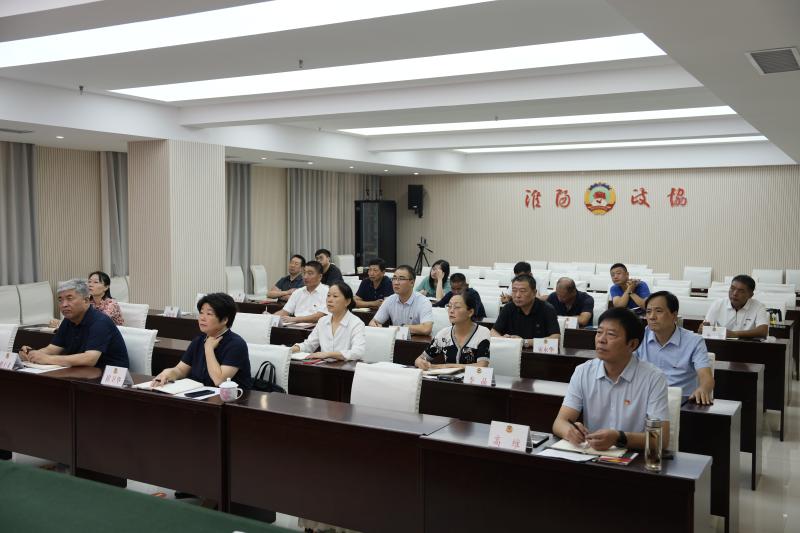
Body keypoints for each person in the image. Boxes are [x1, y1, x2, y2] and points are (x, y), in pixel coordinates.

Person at [552, 307, 670, 451]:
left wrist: (619, 438)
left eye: (611, 334)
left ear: (632, 344)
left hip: (634, 458)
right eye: (599, 332)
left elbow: (660, 439)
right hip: (592, 455)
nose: (601, 340)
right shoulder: (583, 372)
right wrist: (570, 431)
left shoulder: (653, 378)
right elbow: (560, 422)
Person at [19, 279, 129, 369]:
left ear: (86, 300)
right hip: (83, 374)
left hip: (110, 378)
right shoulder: (68, 320)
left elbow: (90, 359)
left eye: (69, 299)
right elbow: (52, 349)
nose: (64, 305)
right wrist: (32, 354)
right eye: (60, 300)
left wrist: (48, 359)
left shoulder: (100, 322)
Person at [152, 292, 252, 389]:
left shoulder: (236, 345)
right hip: (199, 394)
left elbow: (219, 381)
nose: (202, 318)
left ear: (224, 320)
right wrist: (167, 373)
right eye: (201, 313)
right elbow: (181, 370)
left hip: (231, 398)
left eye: (209, 314)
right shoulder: (199, 340)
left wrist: (208, 348)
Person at [637, 291, 713, 403]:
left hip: (681, 404)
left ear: (674, 315)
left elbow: (706, 378)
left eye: (658, 311)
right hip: (645, 400)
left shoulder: (694, 341)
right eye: (648, 312)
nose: (652, 317)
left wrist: (703, 389)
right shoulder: (639, 337)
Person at [415, 292, 490, 370]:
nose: (451, 311)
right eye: (449, 306)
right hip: (447, 378)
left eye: (457, 307)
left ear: (470, 312)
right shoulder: (444, 334)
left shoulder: (482, 333)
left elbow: (482, 366)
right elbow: (419, 359)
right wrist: (421, 363)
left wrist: (444, 366)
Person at [291, 282, 366, 361]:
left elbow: (358, 352)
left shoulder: (356, 323)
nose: (329, 300)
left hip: (347, 366)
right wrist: (290, 350)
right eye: (328, 295)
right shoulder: (322, 321)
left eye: (335, 296)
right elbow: (309, 345)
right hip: (324, 366)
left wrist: (328, 354)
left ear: (347, 301)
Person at [491, 274, 560, 349]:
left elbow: (556, 338)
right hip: (511, 351)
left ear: (534, 293)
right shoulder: (508, 308)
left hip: (538, 354)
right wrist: (504, 340)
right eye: (514, 291)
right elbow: (493, 332)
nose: (517, 295)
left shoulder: (547, 309)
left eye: (522, 291)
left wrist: (524, 342)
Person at [370, 264, 433, 336]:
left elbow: (426, 329)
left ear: (412, 283)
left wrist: (403, 327)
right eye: (394, 278)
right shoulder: (390, 300)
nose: (396, 283)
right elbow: (373, 322)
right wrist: (375, 326)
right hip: (396, 340)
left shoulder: (423, 301)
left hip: (418, 341)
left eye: (401, 279)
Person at [702, 275, 769, 339]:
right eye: (732, 288)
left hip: (748, 345)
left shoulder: (759, 307)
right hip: (722, 344)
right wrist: (704, 328)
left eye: (741, 291)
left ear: (750, 295)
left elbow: (763, 331)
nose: (734, 293)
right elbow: (705, 328)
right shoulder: (718, 304)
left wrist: (734, 334)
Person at [49, 270, 124, 327]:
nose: (90, 285)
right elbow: (77, 317)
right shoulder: (88, 301)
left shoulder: (111, 303)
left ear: (106, 287)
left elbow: (99, 322)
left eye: (96, 282)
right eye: (89, 282)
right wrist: (59, 322)